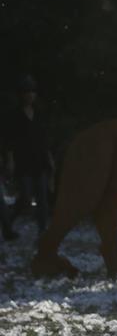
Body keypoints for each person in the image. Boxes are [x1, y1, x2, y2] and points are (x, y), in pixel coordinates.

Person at [7, 76, 52, 237]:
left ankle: (42, 230)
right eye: (27, 92)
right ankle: (8, 223)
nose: (30, 95)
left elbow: (44, 137)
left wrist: (49, 157)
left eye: (32, 91)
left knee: (42, 198)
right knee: (25, 197)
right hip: (23, 160)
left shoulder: (39, 113)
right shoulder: (15, 114)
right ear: (21, 94)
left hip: (39, 159)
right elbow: (10, 139)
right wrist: (10, 159)